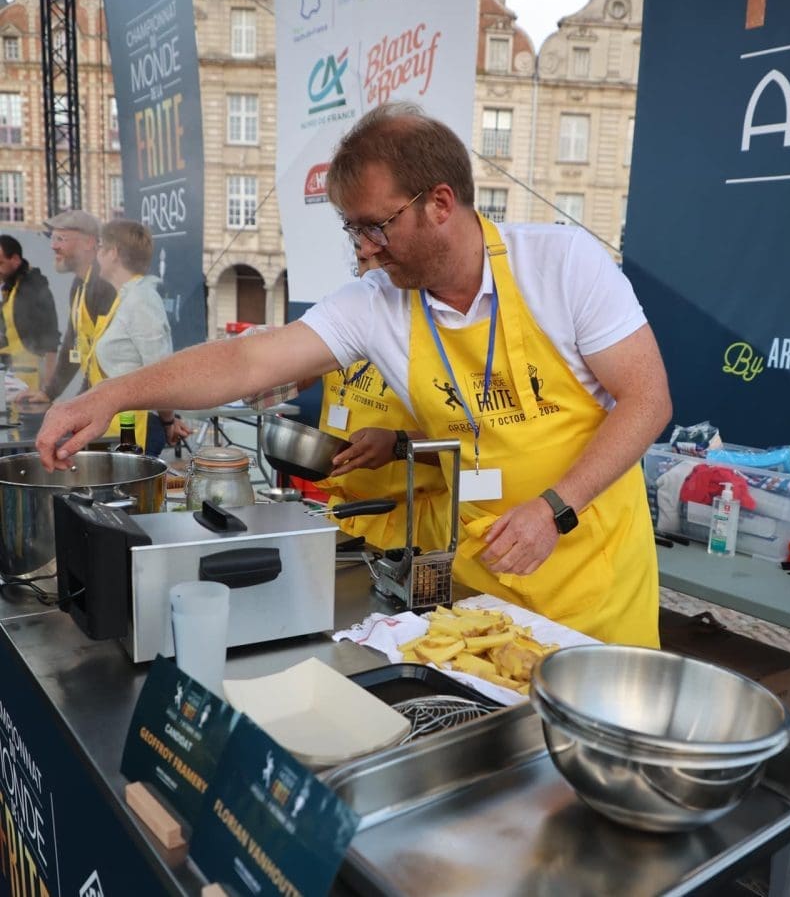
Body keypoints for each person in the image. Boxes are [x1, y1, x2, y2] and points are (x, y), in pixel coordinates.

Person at [35, 104, 671, 646]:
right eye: (352, 228)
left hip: (596, 597)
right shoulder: (377, 303)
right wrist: (112, 395)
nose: (364, 247)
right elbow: (248, 360)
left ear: (441, 203)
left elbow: (647, 400)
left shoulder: (563, 266)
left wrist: (554, 508)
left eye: (376, 225)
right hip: (485, 598)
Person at [310, 246, 450, 552]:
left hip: (412, 528)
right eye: (362, 260)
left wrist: (399, 444)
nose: (371, 272)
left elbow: (475, 448)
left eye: (383, 260)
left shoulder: (440, 334)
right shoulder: (344, 322)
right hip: (342, 518)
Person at [92, 219, 190, 452]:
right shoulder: (125, 297)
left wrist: (168, 421)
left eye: (100, 247)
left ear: (113, 253)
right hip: (116, 425)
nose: (96, 255)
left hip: (135, 430)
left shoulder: (141, 300)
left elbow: (161, 370)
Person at [17, 210, 116, 406]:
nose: (53, 246)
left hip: (120, 411)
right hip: (103, 403)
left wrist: (78, 404)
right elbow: (73, 346)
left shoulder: (104, 286)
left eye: (61, 238)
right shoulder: (80, 285)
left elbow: (111, 360)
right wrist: (49, 393)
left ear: (89, 243)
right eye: (52, 238)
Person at [0, 234, 60, 391]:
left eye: (0, 263)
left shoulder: (34, 287)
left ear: (15, 260)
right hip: (8, 377)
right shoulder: (8, 288)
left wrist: (47, 389)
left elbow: (51, 337)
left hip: (30, 380)